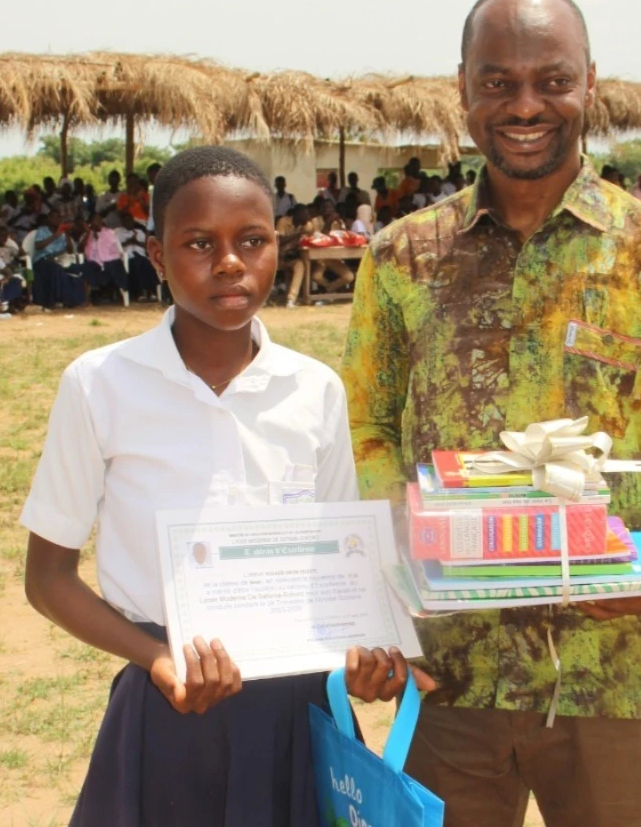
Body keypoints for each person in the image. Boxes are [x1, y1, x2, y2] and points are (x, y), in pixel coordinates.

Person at [342, 0, 641, 827]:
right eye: (498, 81)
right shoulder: (401, 260)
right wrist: (386, 595)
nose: (525, 104)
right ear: (462, 91)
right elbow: (367, 437)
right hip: (452, 675)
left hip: (614, 671)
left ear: (590, 84)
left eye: (552, 79)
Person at [21, 145, 427, 827]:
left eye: (253, 241)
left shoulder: (314, 389)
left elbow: (342, 566)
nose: (231, 263)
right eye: (199, 244)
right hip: (169, 706)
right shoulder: (101, 384)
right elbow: (48, 578)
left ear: (279, 245)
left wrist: (364, 658)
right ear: (156, 255)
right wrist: (156, 657)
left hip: (299, 711)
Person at [31, 210, 85, 310]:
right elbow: (38, 245)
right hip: (42, 260)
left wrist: (67, 234)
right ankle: (59, 300)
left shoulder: (63, 233)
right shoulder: (42, 230)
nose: (57, 220)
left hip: (59, 259)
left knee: (76, 268)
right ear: (49, 219)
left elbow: (70, 250)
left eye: (59, 218)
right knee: (55, 268)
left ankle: (77, 300)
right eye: (54, 217)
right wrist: (56, 235)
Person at [79, 214, 129, 302]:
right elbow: (81, 249)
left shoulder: (109, 232)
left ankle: (120, 292)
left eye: (99, 220)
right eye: (95, 220)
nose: (98, 222)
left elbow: (114, 248)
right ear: (91, 223)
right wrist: (88, 233)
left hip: (110, 260)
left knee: (114, 266)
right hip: (95, 263)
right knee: (86, 268)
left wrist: (99, 238)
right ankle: (86, 300)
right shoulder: (87, 234)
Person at [115, 214, 160, 300]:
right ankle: (142, 291)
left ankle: (151, 291)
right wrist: (129, 241)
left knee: (147, 264)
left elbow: (147, 246)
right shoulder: (118, 232)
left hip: (141, 255)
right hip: (128, 257)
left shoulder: (139, 232)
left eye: (130, 221)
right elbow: (117, 246)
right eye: (126, 221)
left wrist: (136, 242)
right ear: (122, 222)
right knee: (137, 264)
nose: (129, 223)